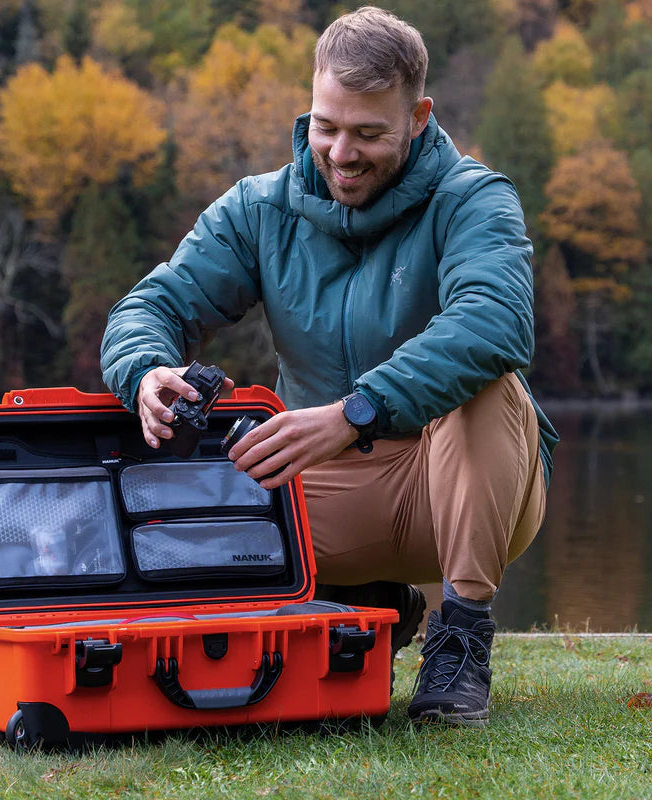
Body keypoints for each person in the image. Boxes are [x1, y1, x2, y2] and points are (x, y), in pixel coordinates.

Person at [100, 6, 558, 727]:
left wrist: (356, 413)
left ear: (417, 117)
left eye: (369, 133)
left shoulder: (475, 199)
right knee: (188, 503)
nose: (342, 152)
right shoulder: (257, 209)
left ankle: (460, 638)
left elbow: (495, 324)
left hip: (467, 489)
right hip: (334, 491)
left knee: (486, 387)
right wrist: (145, 369)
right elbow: (151, 305)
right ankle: (370, 606)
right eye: (326, 126)